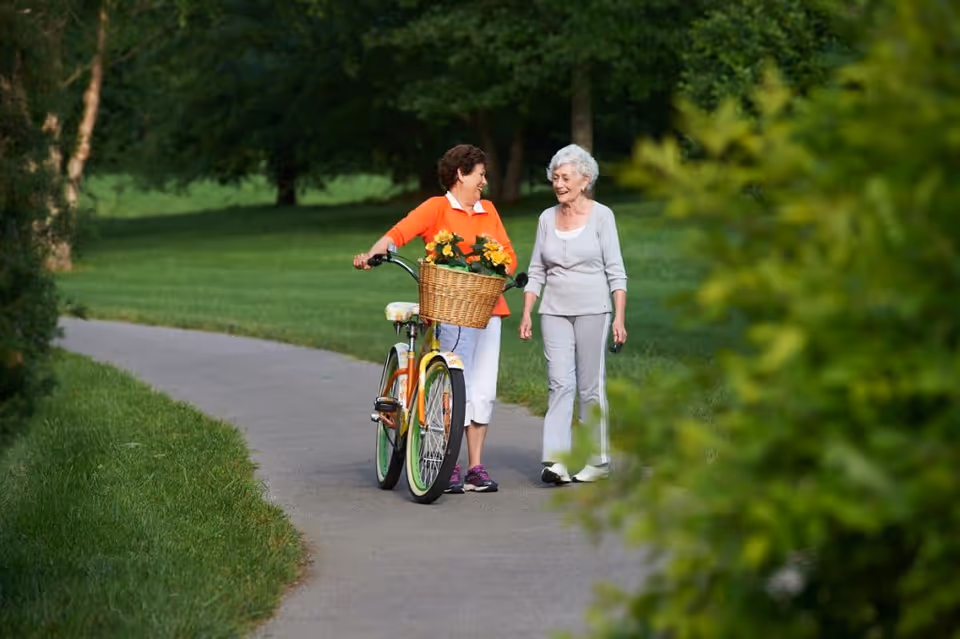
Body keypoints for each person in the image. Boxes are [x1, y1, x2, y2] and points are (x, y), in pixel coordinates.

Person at [353, 144, 517, 494]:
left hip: (488, 309)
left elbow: (509, 256)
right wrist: (372, 255)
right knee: (457, 384)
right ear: (461, 174)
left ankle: (475, 466)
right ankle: (448, 463)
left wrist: (492, 269)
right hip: (450, 308)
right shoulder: (436, 207)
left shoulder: (488, 211)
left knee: (484, 389)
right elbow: (398, 235)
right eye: (480, 175)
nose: (484, 183)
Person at [519, 143, 627, 484]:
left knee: (590, 386)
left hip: (594, 308)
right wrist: (526, 313)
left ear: (585, 180)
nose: (559, 184)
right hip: (554, 310)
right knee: (559, 383)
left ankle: (598, 461)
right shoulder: (546, 219)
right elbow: (536, 270)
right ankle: (557, 461)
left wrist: (619, 317)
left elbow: (616, 271)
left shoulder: (602, 216)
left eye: (565, 177)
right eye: (555, 178)